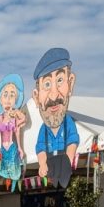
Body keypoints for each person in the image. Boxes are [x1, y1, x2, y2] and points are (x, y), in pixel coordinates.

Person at [32, 47, 79, 188]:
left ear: (70, 83)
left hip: (64, 159)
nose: (54, 95)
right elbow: (40, 147)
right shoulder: (43, 129)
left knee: (63, 181)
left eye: (60, 80)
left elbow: (72, 140)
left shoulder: (68, 122)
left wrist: (69, 160)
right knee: (56, 182)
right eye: (47, 84)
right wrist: (42, 164)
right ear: (36, 96)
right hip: (51, 160)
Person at [0, 74, 27, 187]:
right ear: (0, 100)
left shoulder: (15, 118)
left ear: (17, 99)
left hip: (12, 147)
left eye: (12, 95)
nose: (8, 99)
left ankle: (12, 179)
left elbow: (23, 119)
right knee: (0, 168)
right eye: (5, 95)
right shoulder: (0, 118)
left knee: (15, 173)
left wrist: (20, 148)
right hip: (2, 148)